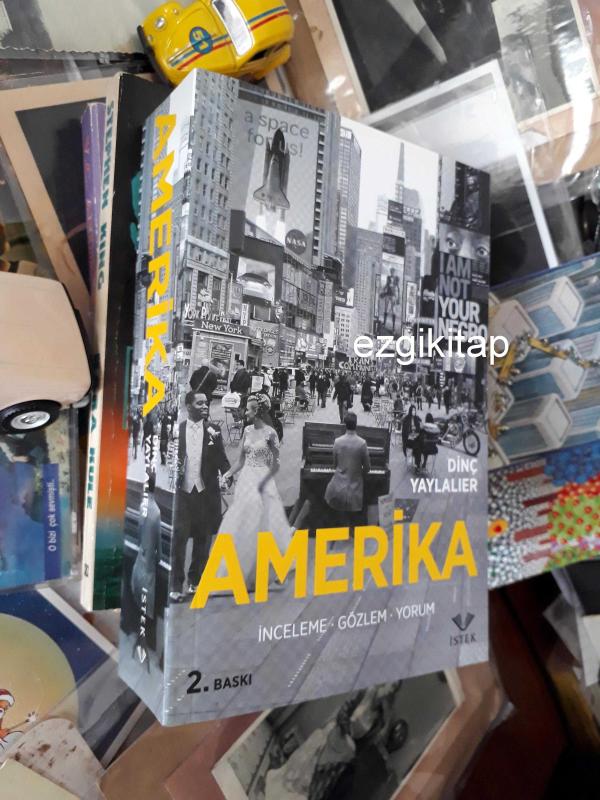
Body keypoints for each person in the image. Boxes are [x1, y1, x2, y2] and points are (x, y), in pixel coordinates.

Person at [219, 395, 292, 584]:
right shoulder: (247, 431)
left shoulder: (271, 433)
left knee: (265, 522)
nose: (245, 412)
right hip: (246, 479)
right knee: (243, 520)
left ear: (258, 411)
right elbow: (240, 461)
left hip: (263, 479)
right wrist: (227, 474)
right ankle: (245, 568)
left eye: (249, 409)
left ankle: (271, 566)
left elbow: (275, 464)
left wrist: (263, 482)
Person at [170, 391, 230, 602]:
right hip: (183, 494)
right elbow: (168, 458)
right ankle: (176, 585)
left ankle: (195, 581)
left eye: (207, 403)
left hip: (206, 493)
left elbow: (222, 460)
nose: (205, 406)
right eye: (200, 403)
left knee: (203, 539)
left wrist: (227, 477)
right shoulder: (177, 431)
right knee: (178, 538)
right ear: (188, 406)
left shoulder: (214, 431)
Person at [131, 470, 161, 657]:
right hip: (149, 564)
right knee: (148, 602)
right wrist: (159, 558)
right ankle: (146, 641)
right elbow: (158, 544)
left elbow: (138, 533)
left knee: (138, 596)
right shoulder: (156, 511)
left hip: (140, 560)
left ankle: (138, 637)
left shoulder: (142, 506)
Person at [325, 412, 370, 528]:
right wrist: (357, 472)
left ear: (345, 425)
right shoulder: (362, 443)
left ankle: (336, 524)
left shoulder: (337, 441)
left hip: (338, 488)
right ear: (356, 424)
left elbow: (334, 465)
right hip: (354, 489)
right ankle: (354, 526)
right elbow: (367, 468)